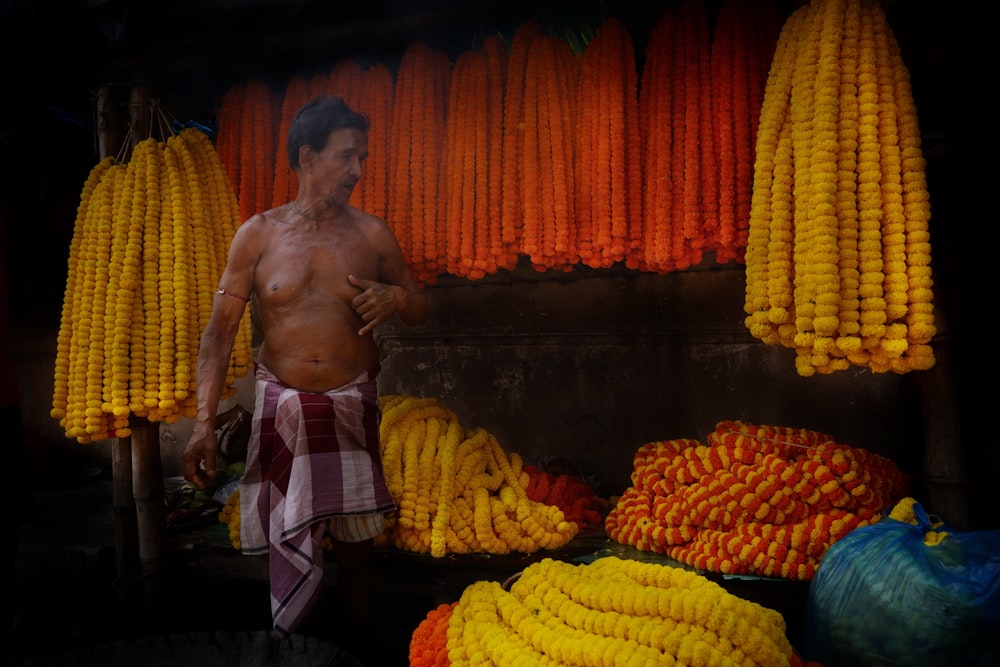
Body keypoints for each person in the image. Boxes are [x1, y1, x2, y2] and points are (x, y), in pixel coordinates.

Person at [181, 95, 429, 651]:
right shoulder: (258, 235)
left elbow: (418, 306)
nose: (357, 171)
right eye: (346, 156)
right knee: (288, 541)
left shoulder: (371, 234)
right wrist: (202, 423)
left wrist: (397, 298)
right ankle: (295, 651)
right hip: (282, 407)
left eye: (361, 158)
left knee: (358, 545)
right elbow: (219, 332)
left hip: (350, 405)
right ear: (307, 156)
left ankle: (356, 649)